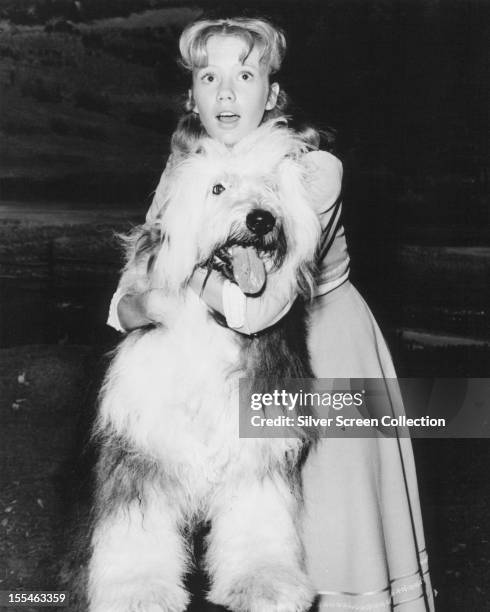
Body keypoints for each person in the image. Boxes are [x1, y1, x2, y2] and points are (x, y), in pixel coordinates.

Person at [107, 16, 435, 612]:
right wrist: (139, 303)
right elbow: (135, 287)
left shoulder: (312, 169)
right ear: (192, 95)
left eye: (245, 74)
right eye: (210, 76)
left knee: (333, 540)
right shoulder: (183, 170)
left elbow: (259, 309)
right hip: (219, 355)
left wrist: (177, 284)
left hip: (323, 339)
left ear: (273, 92)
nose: (227, 93)